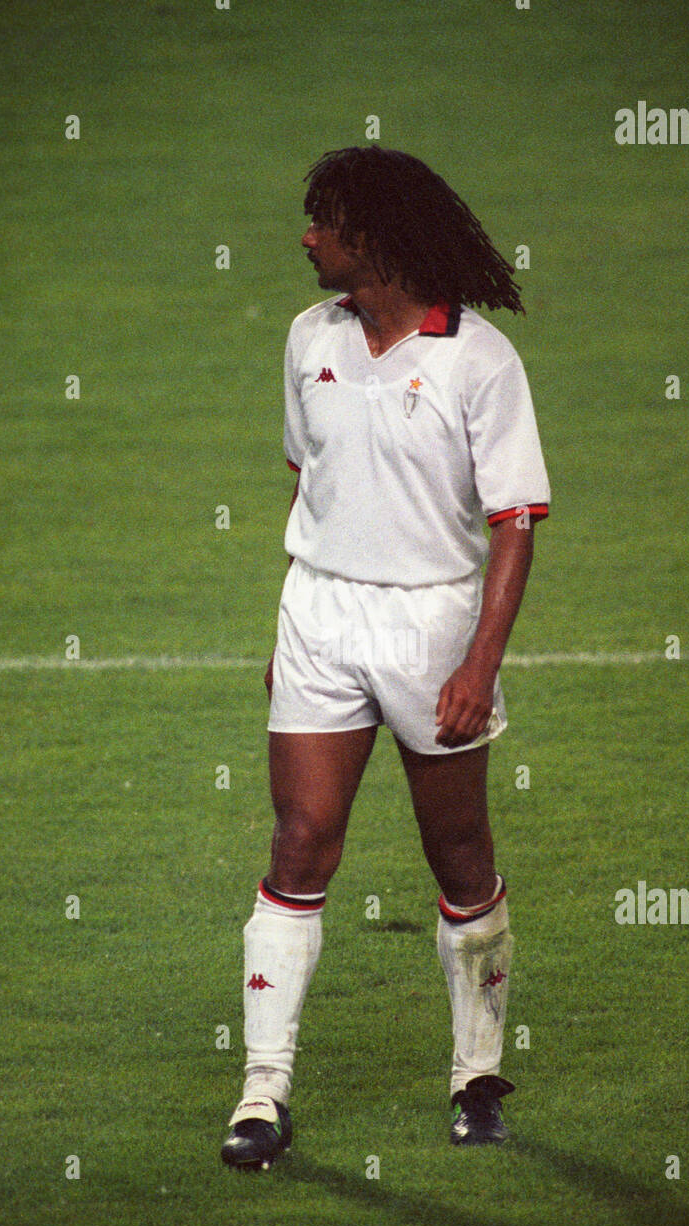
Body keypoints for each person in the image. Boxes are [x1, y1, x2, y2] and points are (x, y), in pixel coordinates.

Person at [221, 146, 550, 1171]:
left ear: (371, 235)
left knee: (455, 853)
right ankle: (263, 1091)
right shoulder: (305, 339)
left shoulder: (477, 358)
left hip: (429, 626)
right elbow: (307, 482)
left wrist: (478, 664)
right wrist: (289, 629)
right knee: (298, 841)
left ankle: (476, 1072)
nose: (305, 238)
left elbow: (513, 522)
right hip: (318, 612)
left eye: (321, 221)